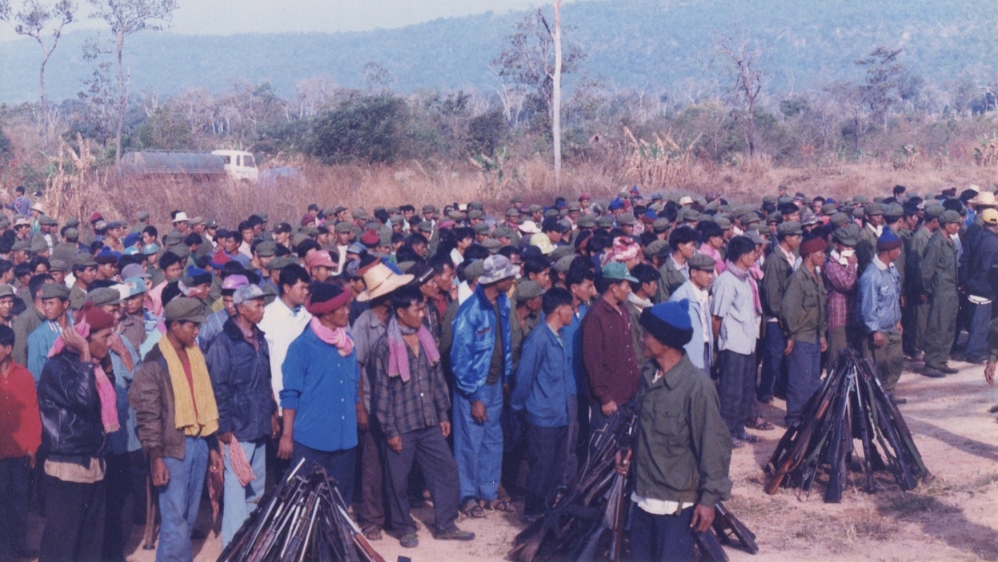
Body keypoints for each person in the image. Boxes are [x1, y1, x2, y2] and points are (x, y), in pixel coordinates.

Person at [618, 300, 732, 562]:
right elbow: (640, 423)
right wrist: (626, 448)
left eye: (646, 334)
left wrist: (708, 500)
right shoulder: (648, 374)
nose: (641, 338)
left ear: (666, 341)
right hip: (643, 498)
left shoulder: (697, 387)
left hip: (676, 508)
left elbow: (713, 447)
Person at [370, 285, 475, 548]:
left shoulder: (426, 338)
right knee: (398, 479)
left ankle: (446, 524)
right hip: (401, 425)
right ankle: (403, 527)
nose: (422, 313)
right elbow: (381, 393)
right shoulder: (385, 346)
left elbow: (436, 379)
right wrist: (390, 430)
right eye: (417, 309)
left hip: (428, 420)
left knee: (446, 470)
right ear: (401, 312)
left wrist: (442, 413)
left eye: (423, 307)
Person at [130, 297, 224, 562]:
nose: (197, 331)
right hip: (171, 450)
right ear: (173, 326)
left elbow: (205, 403)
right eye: (192, 326)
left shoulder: (196, 355)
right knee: (174, 521)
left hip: (198, 444)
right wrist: (156, 457)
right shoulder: (154, 363)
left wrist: (213, 445)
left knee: (188, 517)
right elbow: (148, 417)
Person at [37, 304, 117, 562]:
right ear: (85, 337)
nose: (111, 342)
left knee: (89, 547)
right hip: (67, 468)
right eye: (105, 336)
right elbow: (83, 401)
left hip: (92, 465)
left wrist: (99, 362)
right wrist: (85, 353)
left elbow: (103, 405)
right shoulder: (58, 367)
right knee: (62, 548)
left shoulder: (93, 367)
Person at [205, 284, 278, 549]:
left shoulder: (260, 338)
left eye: (263, 304)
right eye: (257, 305)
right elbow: (218, 388)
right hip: (236, 430)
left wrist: (271, 413)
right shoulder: (224, 343)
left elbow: (266, 381)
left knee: (255, 491)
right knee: (237, 494)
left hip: (258, 426)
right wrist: (224, 427)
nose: (262, 309)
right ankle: (233, 550)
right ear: (241, 307)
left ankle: (251, 546)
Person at [278, 282, 362, 505]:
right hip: (311, 440)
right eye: (343, 307)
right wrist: (287, 436)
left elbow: (354, 387)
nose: (348, 311)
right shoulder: (301, 347)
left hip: (345, 441)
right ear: (326, 312)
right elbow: (290, 395)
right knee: (303, 503)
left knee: (340, 503)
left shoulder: (347, 345)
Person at [450, 254, 517, 517]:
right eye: (508, 276)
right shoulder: (470, 312)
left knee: (492, 439)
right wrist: (475, 396)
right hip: (473, 389)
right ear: (496, 280)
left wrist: (506, 377)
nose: (512, 279)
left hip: (496, 385)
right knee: (469, 442)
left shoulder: (502, 303)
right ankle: (467, 496)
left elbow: (505, 342)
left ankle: (488, 493)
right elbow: (460, 359)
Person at [351, 263, 413, 541]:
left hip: (398, 405)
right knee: (373, 465)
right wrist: (361, 408)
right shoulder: (365, 323)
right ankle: (373, 520)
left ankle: (396, 516)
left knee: (397, 465)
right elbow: (357, 368)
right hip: (373, 404)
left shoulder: (395, 320)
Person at [510, 287, 575, 522]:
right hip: (542, 418)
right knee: (541, 469)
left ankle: (545, 514)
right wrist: (517, 410)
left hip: (560, 416)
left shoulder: (559, 338)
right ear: (560, 309)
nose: (573, 311)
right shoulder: (538, 340)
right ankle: (532, 513)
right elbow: (524, 378)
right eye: (570, 307)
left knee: (555, 470)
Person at [711, 236, 763, 447]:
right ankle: (726, 433)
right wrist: (717, 347)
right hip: (732, 346)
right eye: (752, 253)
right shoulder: (725, 281)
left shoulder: (745, 278)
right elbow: (716, 318)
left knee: (745, 390)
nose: (755, 256)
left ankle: (739, 429)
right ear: (743, 256)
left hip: (747, 344)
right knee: (730, 392)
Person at [0, 325, 41, 561]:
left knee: (18, 500)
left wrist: (32, 447)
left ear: (7, 348)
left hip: (18, 454)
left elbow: (31, 414)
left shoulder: (24, 376)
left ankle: (18, 545)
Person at [781, 235, 829, 425]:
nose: (823, 256)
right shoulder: (798, 279)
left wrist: (823, 334)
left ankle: (809, 417)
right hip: (801, 337)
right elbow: (789, 309)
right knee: (799, 381)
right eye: (820, 253)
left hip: (815, 337)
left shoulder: (817, 277)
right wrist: (791, 335)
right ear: (809, 255)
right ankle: (794, 418)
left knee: (812, 381)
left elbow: (821, 308)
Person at [858, 230, 905, 404]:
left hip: (892, 327)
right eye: (897, 249)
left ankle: (889, 393)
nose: (899, 253)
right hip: (879, 331)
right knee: (877, 367)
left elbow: (894, 297)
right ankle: (877, 400)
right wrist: (874, 330)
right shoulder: (871, 276)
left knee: (895, 363)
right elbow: (868, 306)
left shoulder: (891, 270)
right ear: (888, 251)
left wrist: (898, 320)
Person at [759, 221, 801, 403]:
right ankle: (765, 392)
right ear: (787, 238)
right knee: (773, 356)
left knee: (785, 356)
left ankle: (780, 388)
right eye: (796, 236)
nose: (799, 240)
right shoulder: (774, 260)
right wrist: (779, 315)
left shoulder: (791, 257)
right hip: (776, 318)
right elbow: (771, 292)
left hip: (788, 316)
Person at [920, 210, 963, 377]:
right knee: (936, 327)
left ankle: (941, 360)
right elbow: (926, 271)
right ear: (947, 225)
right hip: (940, 293)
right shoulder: (936, 242)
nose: (958, 227)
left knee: (948, 327)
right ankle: (931, 363)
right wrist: (931, 291)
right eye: (956, 224)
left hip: (950, 291)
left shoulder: (949, 241)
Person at [962, 208, 998, 364]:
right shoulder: (994, 242)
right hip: (985, 286)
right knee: (981, 321)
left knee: (974, 319)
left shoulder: (974, 236)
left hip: (971, 284)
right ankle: (974, 351)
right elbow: (986, 267)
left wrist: (966, 281)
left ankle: (975, 348)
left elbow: (965, 259)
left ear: (983, 222)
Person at [669, 253, 716, 374]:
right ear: (693, 272)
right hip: (688, 355)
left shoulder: (703, 293)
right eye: (706, 272)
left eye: (711, 272)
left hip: (703, 349)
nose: (710, 276)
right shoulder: (680, 296)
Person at [824, 227, 859, 359]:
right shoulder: (832, 265)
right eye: (846, 246)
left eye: (851, 247)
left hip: (850, 316)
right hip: (838, 317)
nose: (850, 250)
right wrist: (851, 265)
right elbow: (847, 284)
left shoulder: (847, 262)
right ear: (836, 245)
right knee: (837, 356)